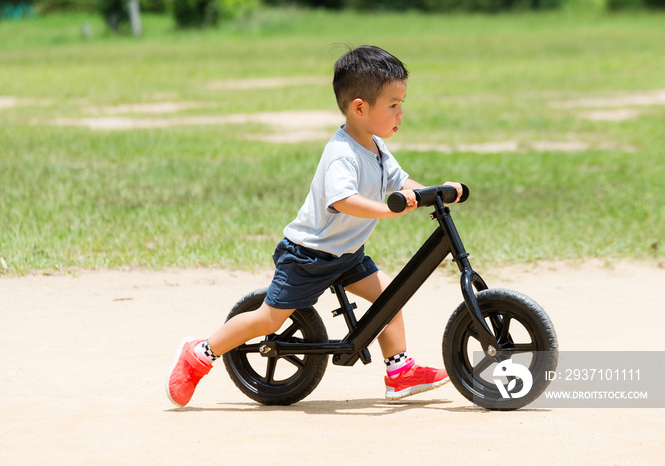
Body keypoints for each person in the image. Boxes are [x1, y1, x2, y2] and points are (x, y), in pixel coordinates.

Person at [166, 45, 463, 408]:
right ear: (359, 108)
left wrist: (438, 192)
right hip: (308, 255)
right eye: (393, 104)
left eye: (401, 103)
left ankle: (399, 373)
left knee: (392, 297)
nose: (402, 112)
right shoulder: (341, 152)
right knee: (267, 319)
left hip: (347, 255)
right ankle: (200, 353)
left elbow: (402, 184)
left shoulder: (378, 147)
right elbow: (342, 200)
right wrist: (386, 211)